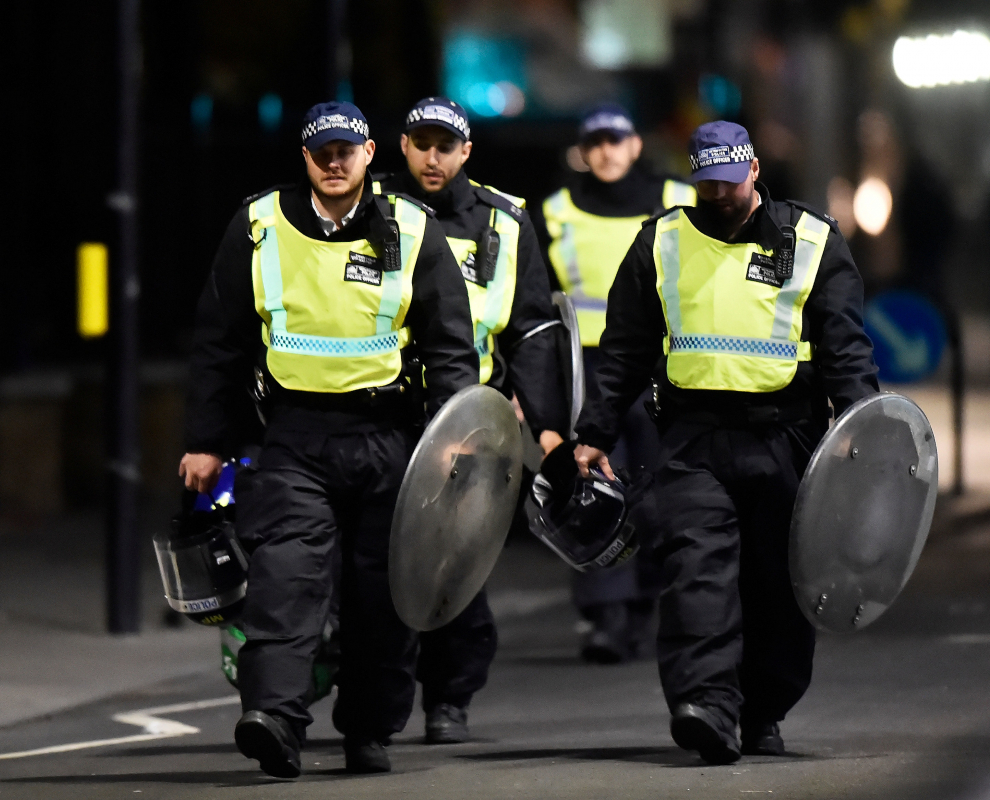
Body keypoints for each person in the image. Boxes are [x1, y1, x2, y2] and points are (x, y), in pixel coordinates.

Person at [179, 101, 478, 778]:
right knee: (286, 579)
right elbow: (219, 344)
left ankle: (369, 727)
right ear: (305, 157)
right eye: (323, 153)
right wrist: (206, 440)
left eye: (347, 151)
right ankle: (274, 719)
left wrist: (455, 436)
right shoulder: (258, 226)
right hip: (294, 437)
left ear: (371, 153)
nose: (335, 163)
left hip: (389, 437)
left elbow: (449, 345)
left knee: (382, 593)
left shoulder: (411, 227)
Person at [572, 121, 878, 763]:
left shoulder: (812, 239)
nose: (718, 195)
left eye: (729, 182)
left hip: (787, 439)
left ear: (755, 170)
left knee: (779, 585)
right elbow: (623, 348)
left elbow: (844, 346)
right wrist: (594, 432)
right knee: (695, 572)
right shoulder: (661, 241)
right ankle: (707, 704)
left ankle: (763, 708)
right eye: (706, 184)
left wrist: (861, 430)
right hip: (692, 441)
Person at [376, 96, 568, 744]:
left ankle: (449, 698)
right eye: (422, 143)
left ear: (466, 152)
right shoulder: (370, 208)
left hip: (469, 422)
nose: (433, 158)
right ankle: (381, 698)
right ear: (402, 146)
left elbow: (534, 329)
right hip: (386, 415)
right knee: (380, 564)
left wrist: (542, 424)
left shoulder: (504, 223)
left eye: (446, 146)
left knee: (457, 565)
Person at [531, 103, 695, 664]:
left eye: (615, 140)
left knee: (656, 490)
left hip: (660, 366)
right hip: (587, 370)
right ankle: (604, 615)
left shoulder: (679, 199)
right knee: (590, 493)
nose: (605, 151)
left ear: (634, 145)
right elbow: (538, 304)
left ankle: (647, 602)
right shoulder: (554, 211)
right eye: (595, 141)